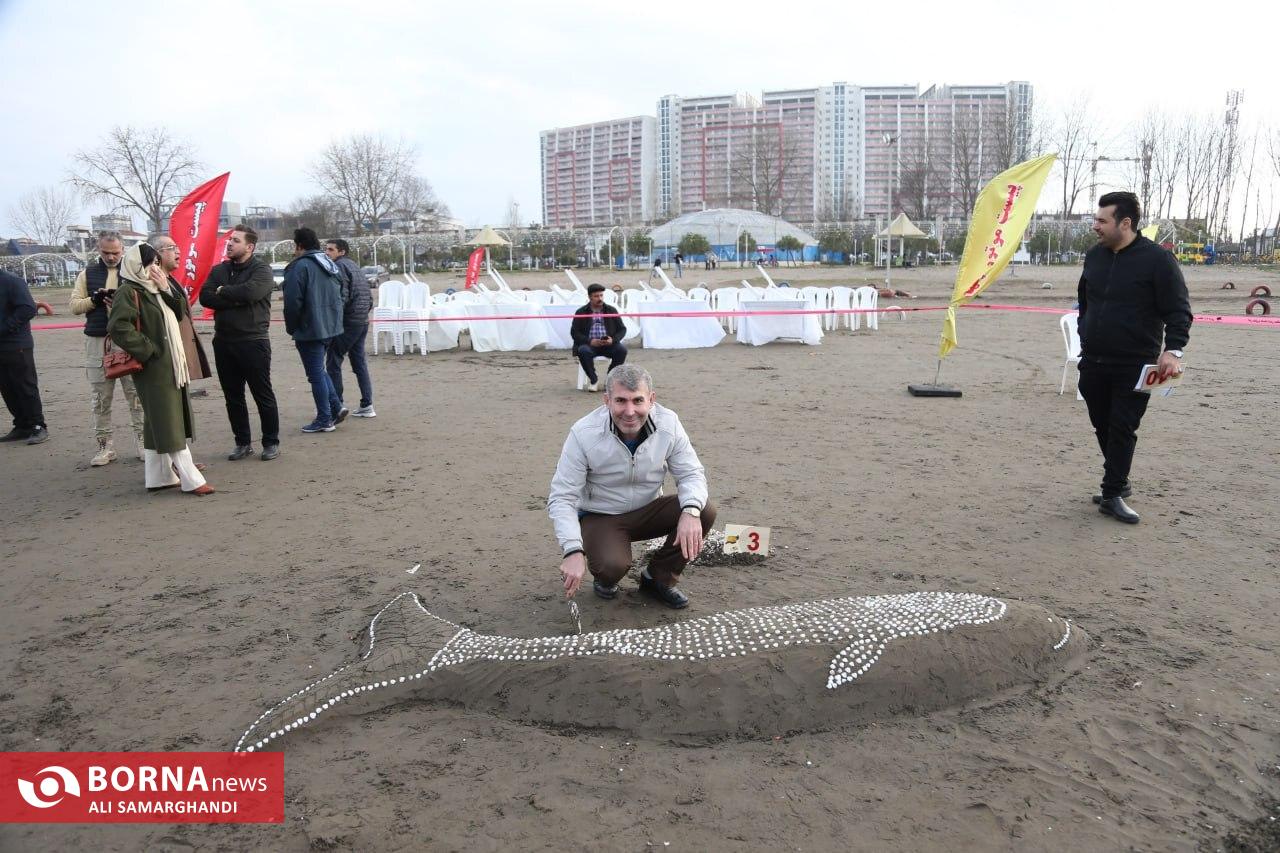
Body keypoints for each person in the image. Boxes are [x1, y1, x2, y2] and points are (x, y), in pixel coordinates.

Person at [549, 364, 716, 610]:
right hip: (600, 515)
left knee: (703, 510)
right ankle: (604, 576)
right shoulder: (584, 433)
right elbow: (562, 497)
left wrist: (690, 512)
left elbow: (691, 473)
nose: (630, 411)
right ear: (607, 401)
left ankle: (658, 578)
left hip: (647, 509)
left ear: (651, 399)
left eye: (638, 400)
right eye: (620, 401)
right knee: (611, 567)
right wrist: (572, 550)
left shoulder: (668, 424)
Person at [1077, 191, 1191, 525]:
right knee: (1101, 423)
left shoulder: (1157, 260)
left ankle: (1112, 493)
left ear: (1125, 223)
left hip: (1136, 362)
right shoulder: (1094, 256)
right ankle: (1119, 481)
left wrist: (1173, 349)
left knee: (1123, 426)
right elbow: (1085, 299)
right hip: (1094, 359)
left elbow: (1178, 309)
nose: (1095, 226)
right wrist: (1085, 329)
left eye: (1102, 220)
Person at [107, 244, 213, 495]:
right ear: (137, 265)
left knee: (159, 418)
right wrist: (149, 349)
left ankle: (159, 476)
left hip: (170, 363)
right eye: (151, 263)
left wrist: (166, 289)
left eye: (157, 262)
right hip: (154, 366)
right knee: (168, 419)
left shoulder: (156, 288)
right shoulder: (129, 290)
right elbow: (119, 327)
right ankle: (192, 479)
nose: (156, 268)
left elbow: (179, 313)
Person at [199, 225, 281, 461]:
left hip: (253, 340)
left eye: (235, 240)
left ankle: (270, 442)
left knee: (262, 393)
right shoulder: (219, 269)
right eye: (229, 240)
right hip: (224, 341)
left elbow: (251, 294)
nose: (229, 243)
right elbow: (206, 296)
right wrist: (232, 297)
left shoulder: (262, 270)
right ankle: (242, 442)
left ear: (249, 246)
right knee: (233, 396)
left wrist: (224, 292)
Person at [68, 231, 145, 465]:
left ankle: (143, 443)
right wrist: (95, 300)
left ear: (123, 249)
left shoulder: (134, 273)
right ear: (98, 249)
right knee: (101, 397)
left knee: (136, 395)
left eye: (115, 252)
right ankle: (104, 447)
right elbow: (74, 306)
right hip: (97, 341)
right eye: (106, 253)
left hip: (128, 340)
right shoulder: (87, 274)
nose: (111, 257)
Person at [282, 228, 346, 433]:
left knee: (315, 374)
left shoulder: (299, 267)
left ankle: (325, 418)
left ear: (299, 245)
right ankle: (336, 407)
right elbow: (342, 292)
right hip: (331, 326)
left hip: (310, 328)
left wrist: (292, 326)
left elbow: (292, 302)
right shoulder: (329, 263)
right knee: (319, 370)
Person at [323, 239, 375, 418]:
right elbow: (368, 295)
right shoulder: (355, 266)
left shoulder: (339, 267)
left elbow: (343, 295)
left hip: (349, 322)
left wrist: (335, 319)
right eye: (326, 249)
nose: (327, 252)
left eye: (331, 249)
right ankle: (367, 404)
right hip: (362, 321)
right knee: (359, 363)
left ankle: (337, 405)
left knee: (333, 362)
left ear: (342, 251)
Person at [0, 269, 48, 445]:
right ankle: (21, 425)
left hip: (17, 345)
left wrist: (6, 327)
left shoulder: (12, 281)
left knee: (25, 386)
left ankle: (37, 425)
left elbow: (28, 308)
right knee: (7, 387)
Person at [570, 283, 627, 393]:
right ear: (590, 297)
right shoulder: (581, 312)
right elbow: (574, 333)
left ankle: (609, 380)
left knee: (622, 350)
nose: (599, 298)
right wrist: (590, 341)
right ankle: (593, 380)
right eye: (596, 296)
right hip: (590, 345)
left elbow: (622, 329)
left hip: (608, 344)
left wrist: (613, 340)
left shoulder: (611, 310)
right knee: (583, 351)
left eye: (601, 295)